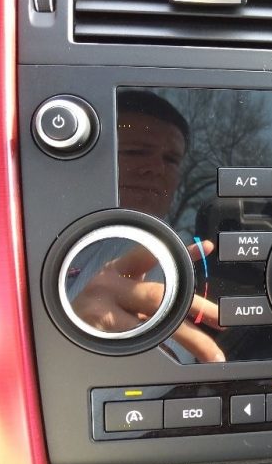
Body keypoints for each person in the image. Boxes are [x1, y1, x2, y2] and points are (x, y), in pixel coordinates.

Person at [67, 90, 225, 363]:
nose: (156, 168)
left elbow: (162, 376)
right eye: (135, 151)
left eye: (171, 160)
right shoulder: (21, 232)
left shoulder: (166, 254)